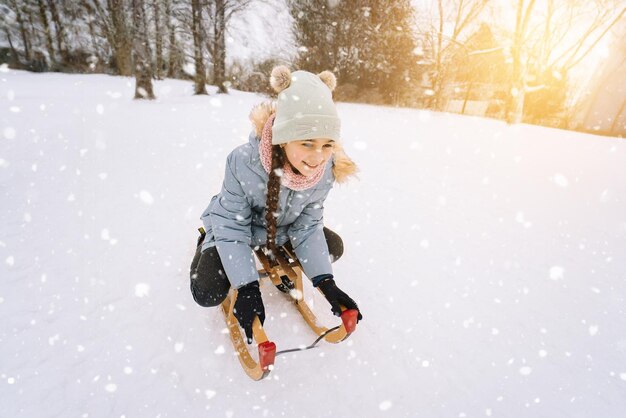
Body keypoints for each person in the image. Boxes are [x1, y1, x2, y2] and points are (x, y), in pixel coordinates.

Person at [190, 66, 362, 343]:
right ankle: (205, 243)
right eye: (307, 143)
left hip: (282, 231)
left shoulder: (326, 169)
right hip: (235, 229)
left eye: (327, 144)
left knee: (333, 247)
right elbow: (233, 229)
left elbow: (308, 227)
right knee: (207, 292)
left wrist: (325, 282)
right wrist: (247, 288)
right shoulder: (243, 162)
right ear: (284, 137)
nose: (318, 156)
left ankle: (282, 259)